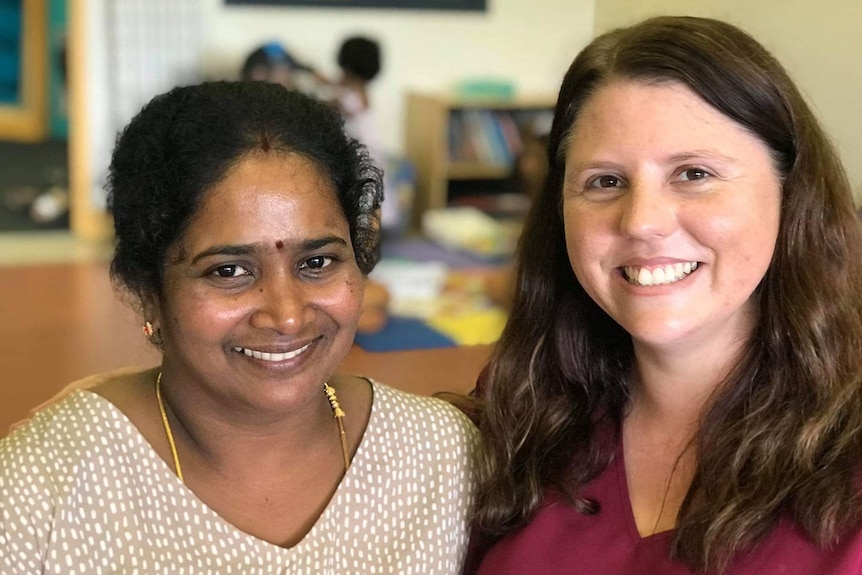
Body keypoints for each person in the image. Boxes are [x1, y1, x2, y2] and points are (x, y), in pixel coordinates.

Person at [0, 81, 478, 573]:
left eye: (317, 261)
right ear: (149, 292)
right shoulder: (40, 495)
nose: (288, 315)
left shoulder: (444, 457)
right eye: (229, 271)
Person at [465, 16, 862, 575]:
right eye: (604, 181)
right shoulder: (524, 407)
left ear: (791, 192)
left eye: (694, 173)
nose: (642, 222)